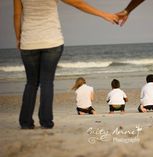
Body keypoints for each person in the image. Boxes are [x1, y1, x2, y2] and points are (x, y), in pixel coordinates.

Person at [14, 0, 118, 129]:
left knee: (31, 83)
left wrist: (18, 37)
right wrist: (105, 15)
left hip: (29, 42)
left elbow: (17, 15)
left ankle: (25, 122)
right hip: (52, 41)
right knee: (46, 82)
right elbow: (78, 3)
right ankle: (46, 122)